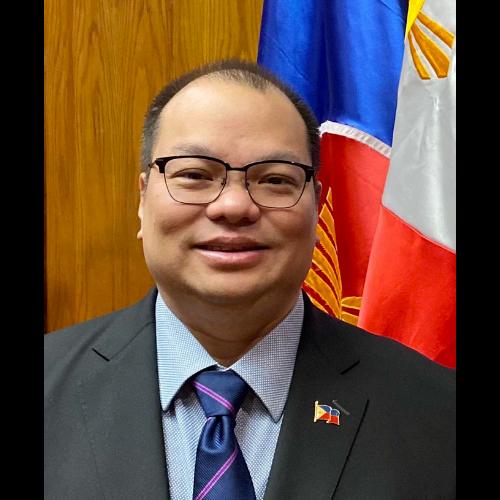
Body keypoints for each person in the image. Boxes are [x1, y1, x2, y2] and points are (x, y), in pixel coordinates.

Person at [44, 60, 455, 500]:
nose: (234, 206)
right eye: (195, 175)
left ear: (316, 208)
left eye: (275, 179)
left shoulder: (436, 411)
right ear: (143, 199)